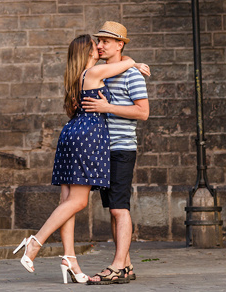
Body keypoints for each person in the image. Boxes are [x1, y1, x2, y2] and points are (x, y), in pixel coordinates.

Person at [13, 34, 149, 283]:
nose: (99, 47)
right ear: (88, 53)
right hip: (87, 137)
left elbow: (122, 65)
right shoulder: (94, 73)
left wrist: (129, 61)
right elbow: (123, 64)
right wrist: (134, 62)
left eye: (104, 43)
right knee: (77, 202)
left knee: (67, 201)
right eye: (95, 45)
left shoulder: (78, 76)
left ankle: (70, 259)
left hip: (72, 133)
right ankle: (35, 242)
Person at [81, 21, 149, 285]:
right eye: (99, 41)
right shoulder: (103, 71)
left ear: (120, 44)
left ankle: (118, 266)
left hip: (121, 149)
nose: (99, 45)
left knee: (120, 209)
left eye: (106, 41)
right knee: (112, 209)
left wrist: (107, 107)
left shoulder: (132, 75)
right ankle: (127, 265)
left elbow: (143, 112)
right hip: (102, 150)